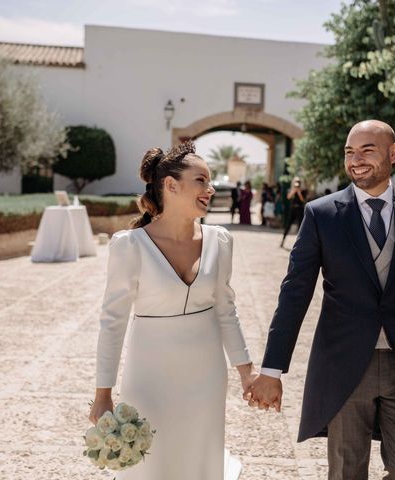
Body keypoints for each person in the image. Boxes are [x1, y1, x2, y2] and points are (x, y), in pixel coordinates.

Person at [248, 120, 395, 480]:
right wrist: (271, 370)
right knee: (347, 471)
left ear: (392, 153)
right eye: (350, 152)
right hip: (344, 366)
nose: (356, 160)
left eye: (367, 150)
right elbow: (295, 293)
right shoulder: (322, 214)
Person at [89, 141, 258, 479]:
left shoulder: (221, 241)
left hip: (206, 376)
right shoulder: (129, 246)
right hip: (148, 377)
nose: (210, 189)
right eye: (201, 180)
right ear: (170, 185)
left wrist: (246, 372)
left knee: (199, 459)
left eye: (209, 181)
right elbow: (112, 323)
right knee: (150, 464)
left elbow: (226, 310)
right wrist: (102, 394)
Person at [280, 177, 306, 248]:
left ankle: (300, 244)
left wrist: (299, 192)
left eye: (298, 182)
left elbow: (303, 200)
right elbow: (288, 197)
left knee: (300, 226)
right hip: (293, 209)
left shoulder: (303, 191)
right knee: (288, 225)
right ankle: (283, 240)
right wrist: (294, 191)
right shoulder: (291, 190)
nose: (297, 184)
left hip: (300, 209)